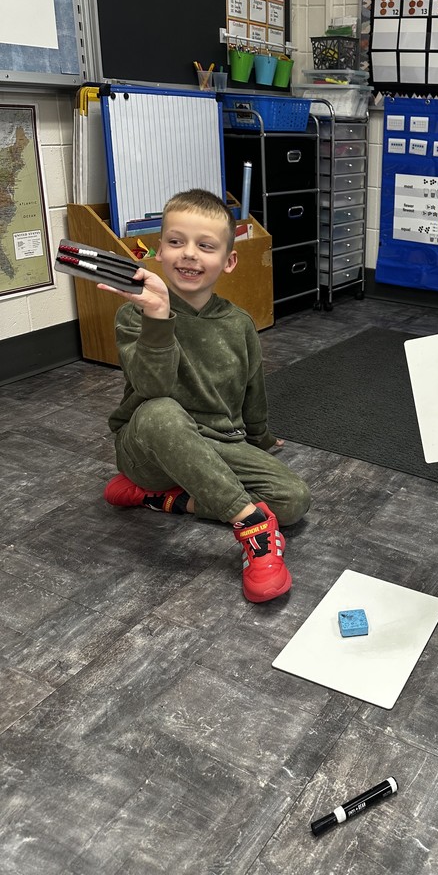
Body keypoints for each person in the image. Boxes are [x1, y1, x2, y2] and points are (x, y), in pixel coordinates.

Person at [100, 188, 310, 604]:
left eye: (205, 246)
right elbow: (153, 389)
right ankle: (252, 529)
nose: (189, 254)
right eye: (176, 242)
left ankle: (164, 500)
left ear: (228, 261)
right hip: (148, 446)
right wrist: (158, 317)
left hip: (217, 444)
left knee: (293, 500)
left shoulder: (239, 324)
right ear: (158, 251)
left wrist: (262, 439)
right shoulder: (134, 313)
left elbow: (253, 391)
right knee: (161, 411)